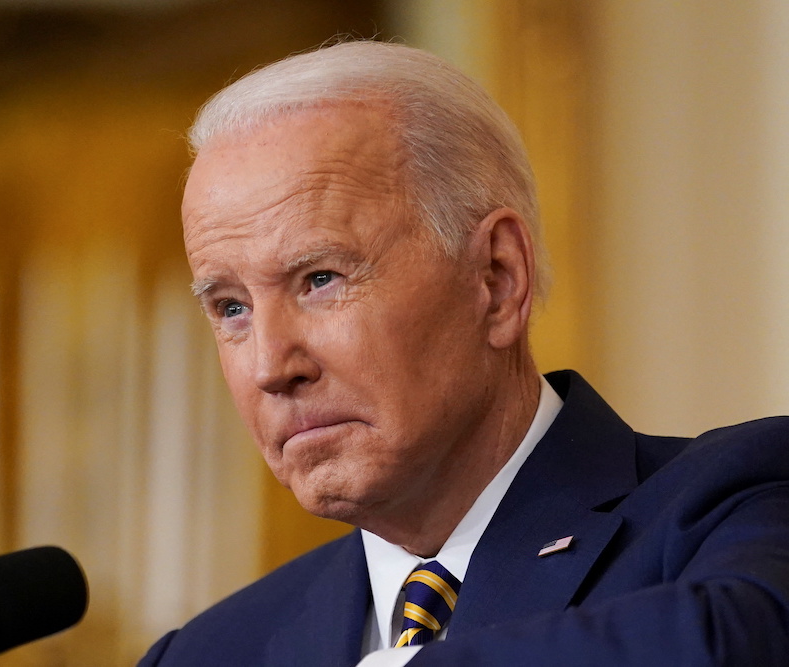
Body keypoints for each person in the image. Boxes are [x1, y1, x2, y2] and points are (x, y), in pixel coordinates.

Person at [138, 39, 789, 666]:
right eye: (231, 308)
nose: (270, 366)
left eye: (320, 279)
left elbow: (742, 640)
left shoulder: (736, 504)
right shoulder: (210, 652)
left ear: (496, 279)